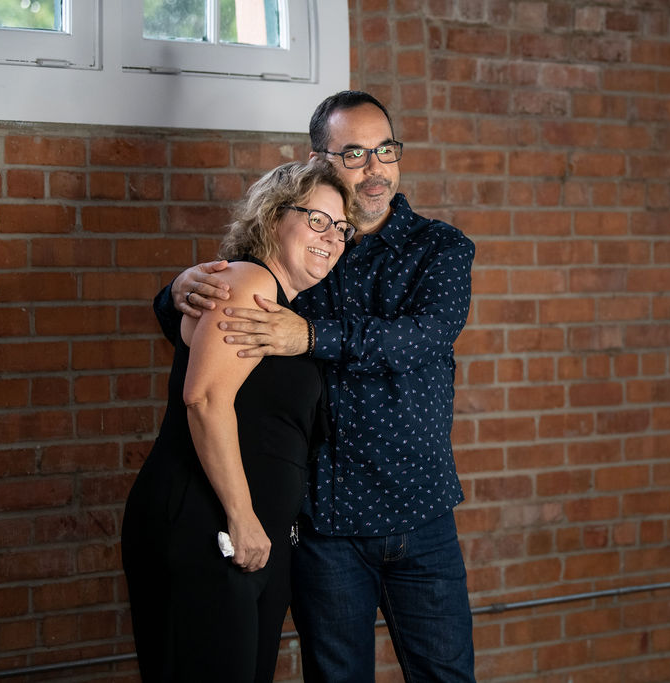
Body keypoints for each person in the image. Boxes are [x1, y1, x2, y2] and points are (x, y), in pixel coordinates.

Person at [155, 90, 477, 682]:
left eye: (385, 149)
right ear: (319, 161)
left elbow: (420, 339)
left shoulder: (442, 249)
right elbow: (233, 304)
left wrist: (309, 336)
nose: (374, 168)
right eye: (353, 153)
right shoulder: (306, 243)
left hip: (419, 515)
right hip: (323, 525)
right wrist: (178, 288)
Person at [123, 161, 355, 682]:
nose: (333, 238)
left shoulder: (285, 304)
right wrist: (243, 516)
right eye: (318, 220)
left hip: (247, 537)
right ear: (273, 217)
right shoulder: (250, 280)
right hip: (210, 523)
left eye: (341, 228)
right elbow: (204, 398)